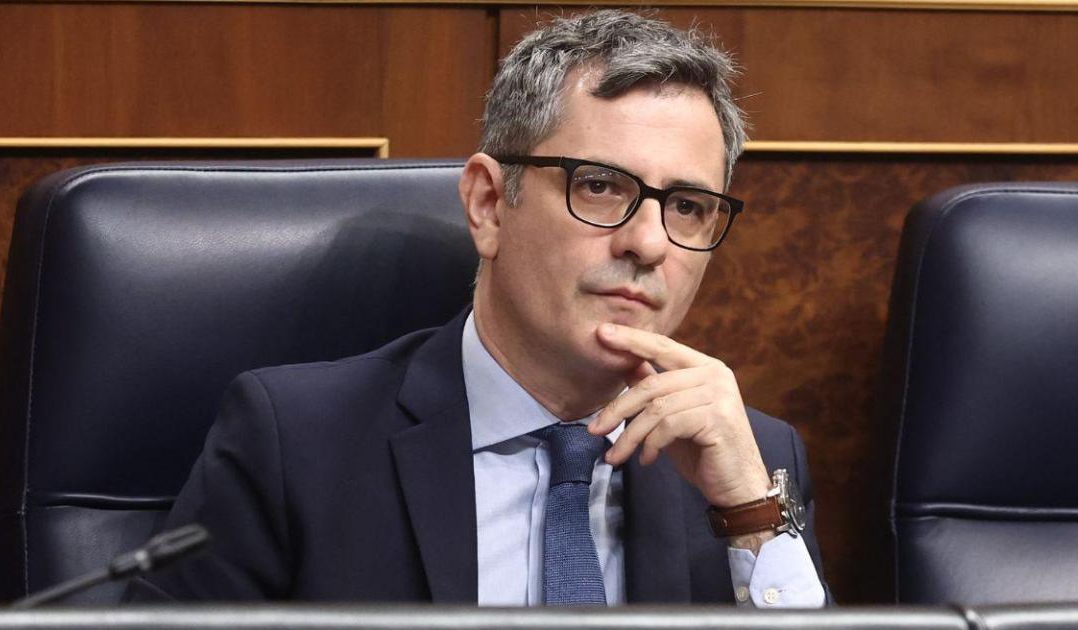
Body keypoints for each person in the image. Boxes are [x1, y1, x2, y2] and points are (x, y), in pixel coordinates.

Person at [127, 10, 827, 607]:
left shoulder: (749, 461)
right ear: (489, 204)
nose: (648, 243)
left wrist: (751, 514)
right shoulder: (296, 443)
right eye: (600, 186)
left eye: (688, 207)